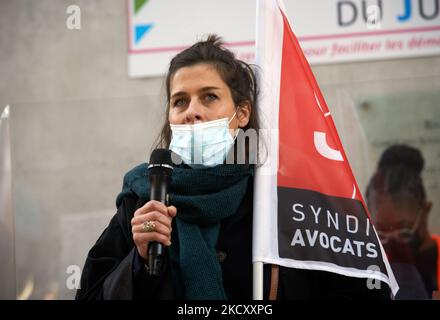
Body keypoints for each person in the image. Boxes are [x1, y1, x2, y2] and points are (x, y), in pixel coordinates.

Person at [75, 35, 390, 300]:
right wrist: (139, 263)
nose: (192, 112)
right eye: (180, 101)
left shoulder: (280, 196)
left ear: (241, 114)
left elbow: (359, 285)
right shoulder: (141, 198)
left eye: (209, 97)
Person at [366, 144, 440, 299]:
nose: (392, 239)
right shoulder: (371, 267)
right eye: (381, 231)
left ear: (425, 211)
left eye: (403, 229)